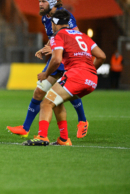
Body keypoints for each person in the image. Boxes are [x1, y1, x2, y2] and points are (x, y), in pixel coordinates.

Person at [7, 0, 89, 139]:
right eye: (39, 1)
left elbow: (76, 37)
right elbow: (54, 37)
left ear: (51, 2)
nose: (40, 4)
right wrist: (46, 48)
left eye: (43, 1)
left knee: (70, 93)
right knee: (39, 92)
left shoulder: (65, 16)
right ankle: (25, 128)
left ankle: (82, 121)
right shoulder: (45, 18)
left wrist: (55, 48)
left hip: (67, 59)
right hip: (56, 59)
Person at [23, 10, 106, 146]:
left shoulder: (58, 36)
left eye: (52, 23)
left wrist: (45, 74)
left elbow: (56, 60)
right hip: (91, 81)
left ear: (55, 23)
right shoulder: (83, 35)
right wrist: (91, 71)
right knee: (56, 101)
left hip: (75, 76)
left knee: (46, 103)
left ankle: (42, 136)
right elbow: (102, 56)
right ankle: (64, 139)